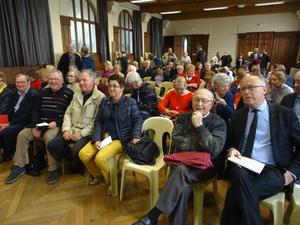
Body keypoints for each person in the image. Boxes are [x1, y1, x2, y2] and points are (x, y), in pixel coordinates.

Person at [132, 89, 227, 225]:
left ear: (212, 104)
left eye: (204, 101)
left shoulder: (219, 122)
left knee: (180, 172)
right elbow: (176, 143)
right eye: (196, 99)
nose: (199, 104)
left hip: (205, 167)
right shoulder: (182, 118)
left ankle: (153, 216)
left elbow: (214, 149)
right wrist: (201, 144)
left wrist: (199, 126)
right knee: (182, 177)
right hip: (180, 162)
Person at [220, 75, 300, 225]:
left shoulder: (284, 115)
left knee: (234, 195)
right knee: (237, 172)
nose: (246, 92)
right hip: (242, 164)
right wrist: (231, 150)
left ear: (265, 90)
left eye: (251, 87)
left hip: (273, 169)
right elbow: (229, 142)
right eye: (243, 88)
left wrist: (293, 172)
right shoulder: (238, 116)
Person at [5, 70, 73, 184]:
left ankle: (53, 169)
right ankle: (19, 166)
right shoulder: (43, 92)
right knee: (22, 135)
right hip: (40, 124)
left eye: (56, 79)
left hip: (56, 125)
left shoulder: (69, 93)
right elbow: (35, 110)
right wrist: (35, 126)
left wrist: (56, 123)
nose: (53, 81)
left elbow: (69, 114)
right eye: (51, 79)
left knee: (49, 137)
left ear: (61, 80)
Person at [79, 75, 143, 195]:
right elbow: (98, 121)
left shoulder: (130, 102)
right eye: (110, 85)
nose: (112, 88)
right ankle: (99, 174)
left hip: (120, 138)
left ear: (122, 88)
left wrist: (135, 136)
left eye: (115, 86)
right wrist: (97, 138)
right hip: (104, 136)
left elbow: (138, 120)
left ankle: (111, 182)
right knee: (83, 154)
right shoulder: (105, 101)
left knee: (100, 158)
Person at [47, 70, 105, 176]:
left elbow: (97, 121)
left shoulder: (100, 98)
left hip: (87, 134)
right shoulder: (76, 95)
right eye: (80, 80)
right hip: (72, 129)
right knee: (52, 145)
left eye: (84, 80)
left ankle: (75, 166)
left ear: (93, 82)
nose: (81, 83)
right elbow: (68, 113)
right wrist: (66, 130)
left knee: (75, 150)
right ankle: (72, 162)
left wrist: (81, 133)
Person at [0, 74, 39, 162]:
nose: (20, 84)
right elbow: (8, 109)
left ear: (29, 82)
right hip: (13, 120)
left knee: (7, 131)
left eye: (23, 82)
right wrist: (2, 120)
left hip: (25, 122)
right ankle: (6, 153)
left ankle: (13, 154)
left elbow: (27, 115)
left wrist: (8, 124)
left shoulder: (34, 94)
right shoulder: (15, 93)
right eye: (18, 82)